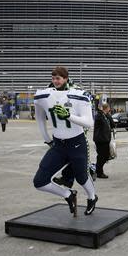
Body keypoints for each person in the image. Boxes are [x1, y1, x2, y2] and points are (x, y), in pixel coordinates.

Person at [33, 66, 97, 216]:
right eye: (53, 78)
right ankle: (68, 195)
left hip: (76, 143)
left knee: (82, 177)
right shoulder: (44, 96)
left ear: (66, 79)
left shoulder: (78, 95)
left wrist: (68, 116)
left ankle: (92, 198)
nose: (55, 81)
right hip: (58, 144)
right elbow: (40, 119)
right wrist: (47, 139)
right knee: (40, 181)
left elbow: (89, 123)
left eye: (58, 78)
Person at [93, 103, 115, 179]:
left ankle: (98, 170)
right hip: (100, 139)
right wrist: (103, 112)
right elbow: (100, 121)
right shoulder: (99, 116)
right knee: (101, 156)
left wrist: (108, 115)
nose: (109, 110)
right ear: (106, 108)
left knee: (105, 156)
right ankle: (99, 172)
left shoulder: (106, 116)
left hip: (106, 139)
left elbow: (113, 125)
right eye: (109, 108)